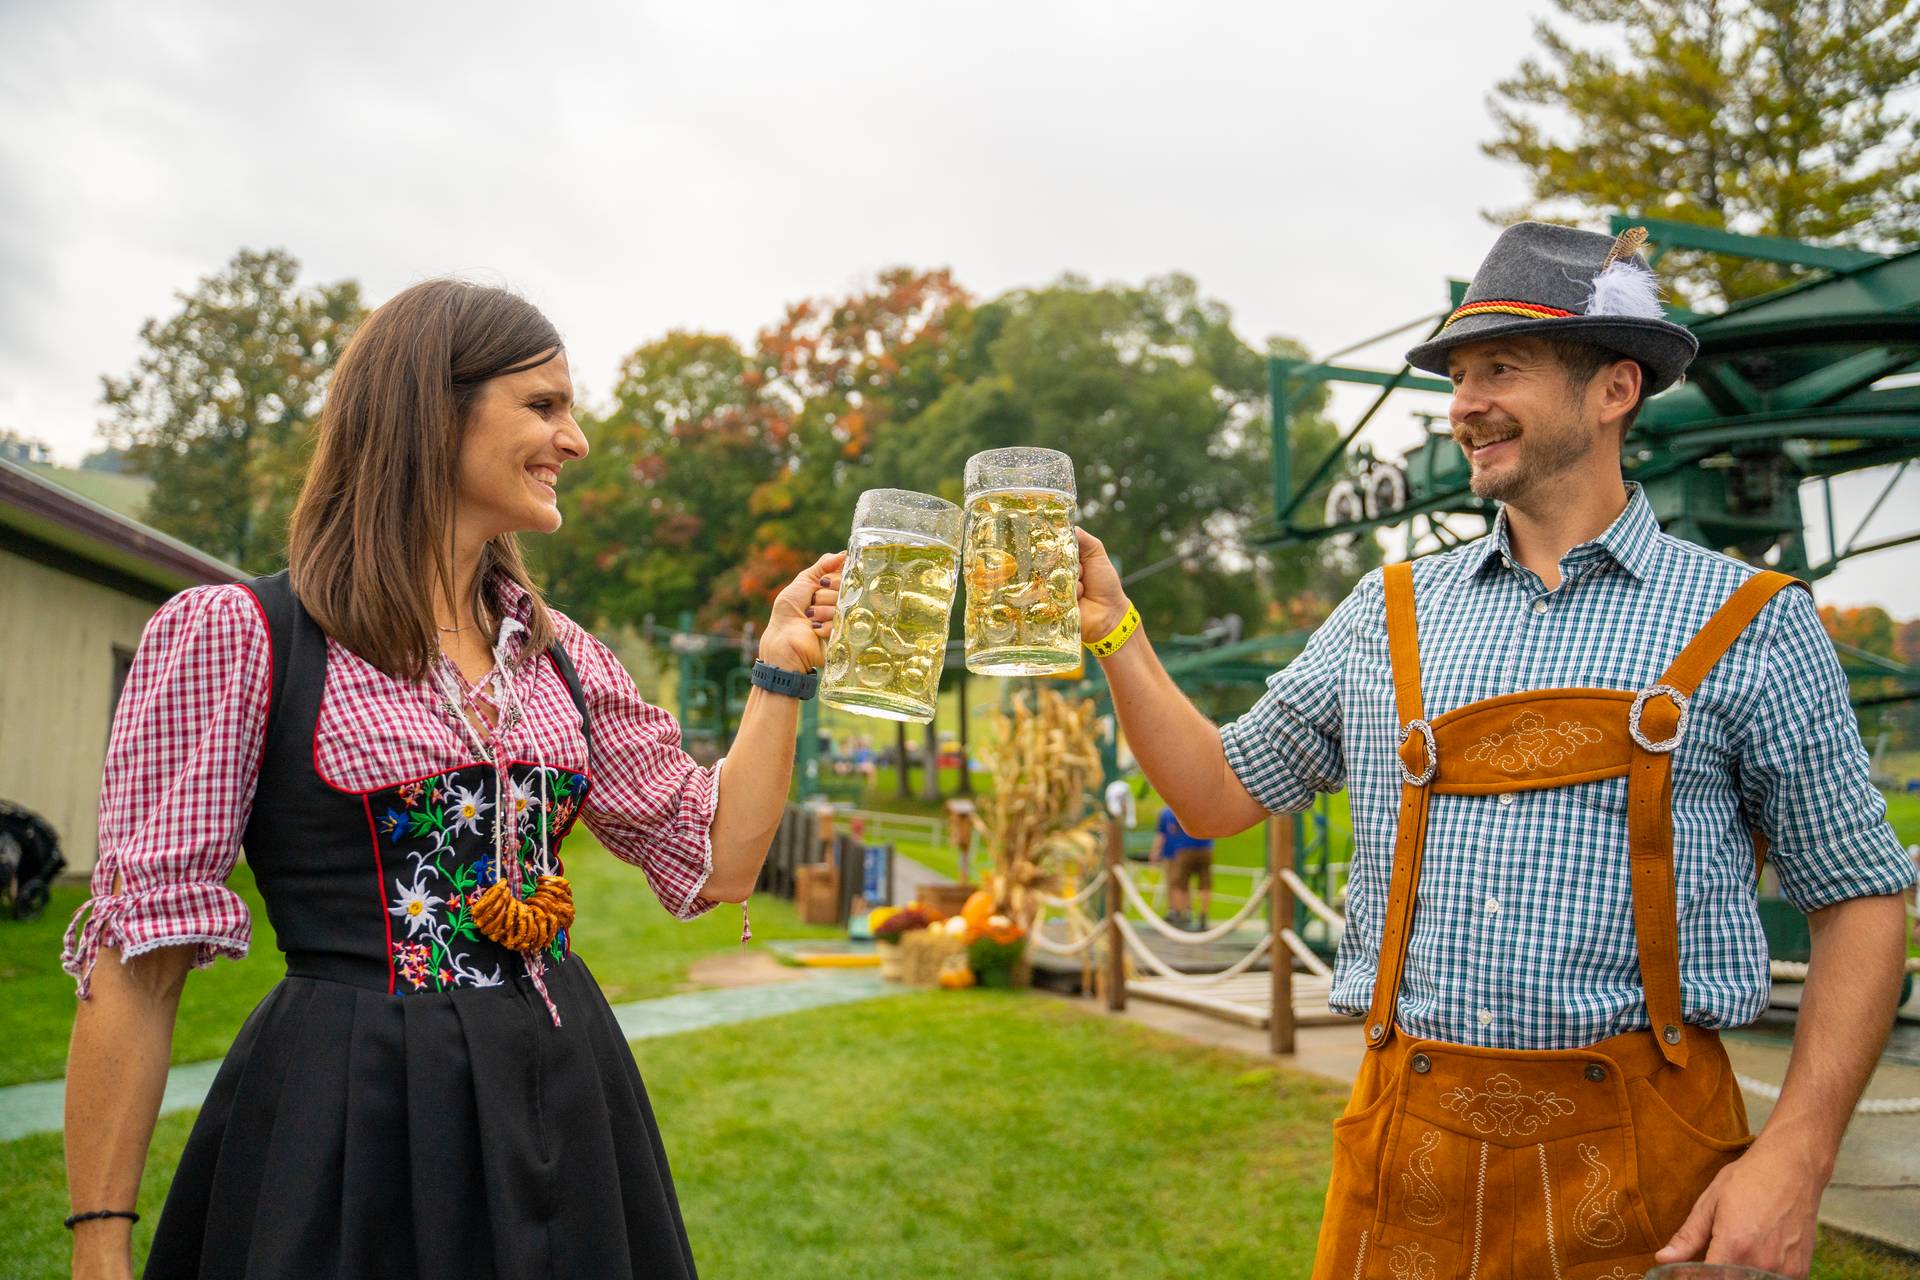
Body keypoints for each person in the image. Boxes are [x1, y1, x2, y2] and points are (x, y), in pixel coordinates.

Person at [1071, 223, 1915, 1279]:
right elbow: (1215, 795)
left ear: (1614, 389)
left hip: (1653, 1172)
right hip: (1405, 1156)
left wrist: (1798, 1154)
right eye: (1458, 377)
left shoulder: (1752, 620)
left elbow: (1861, 897)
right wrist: (1116, 630)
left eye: (1501, 368)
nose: (1464, 404)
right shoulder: (1385, 613)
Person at [60, 281, 842, 1280]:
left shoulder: (560, 657)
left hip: (563, 1097)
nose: (575, 440)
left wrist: (781, 667)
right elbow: (139, 965)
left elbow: (719, 859)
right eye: (543, 405)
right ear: (432, 410)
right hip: (354, 1117)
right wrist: (99, 1246)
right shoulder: (246, 637)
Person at [1151, 804, 1213, 930]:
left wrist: (1155, 851)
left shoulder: (1172, 811)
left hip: (1184, 849)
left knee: (1179, 884)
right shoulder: (1204, 807)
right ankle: (1203, 914)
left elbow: (1166, 832)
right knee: (1205, 884)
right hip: (1205, 849)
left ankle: (1179, 913)